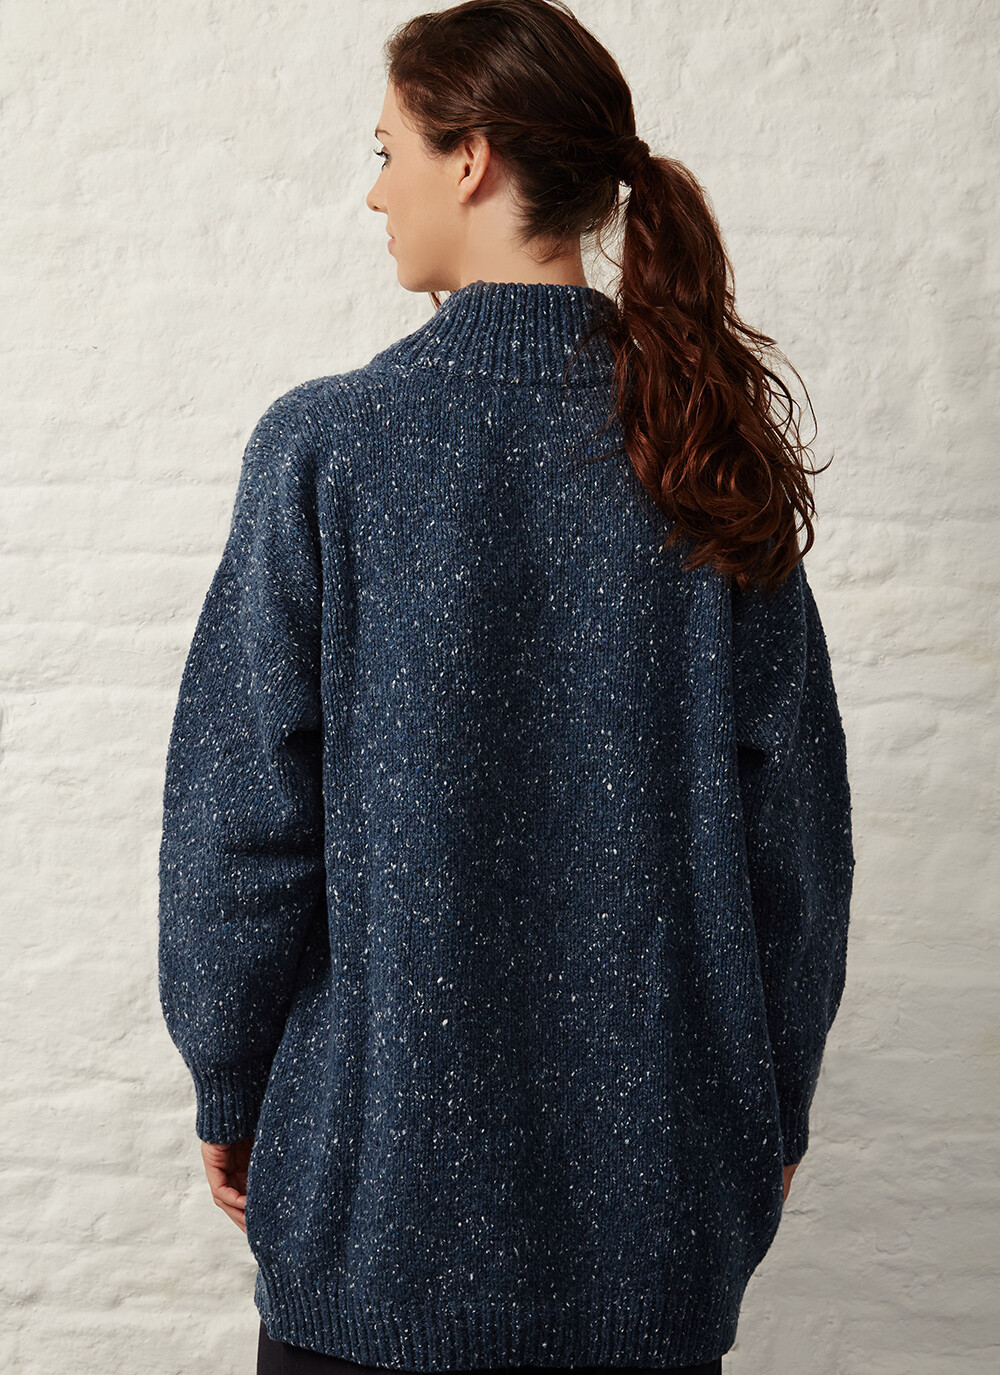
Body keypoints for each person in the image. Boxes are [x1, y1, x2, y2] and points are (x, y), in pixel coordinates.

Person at [157, 2, 856, 1372]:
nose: (376, 192)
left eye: (389, 151)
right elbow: (797, 843)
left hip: (377, 1211)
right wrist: (774, 1101)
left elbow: (239, 823)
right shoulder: (700, 444)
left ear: (469, 157)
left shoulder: (329, 447)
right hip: (653, 1221)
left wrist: (230, 1077)